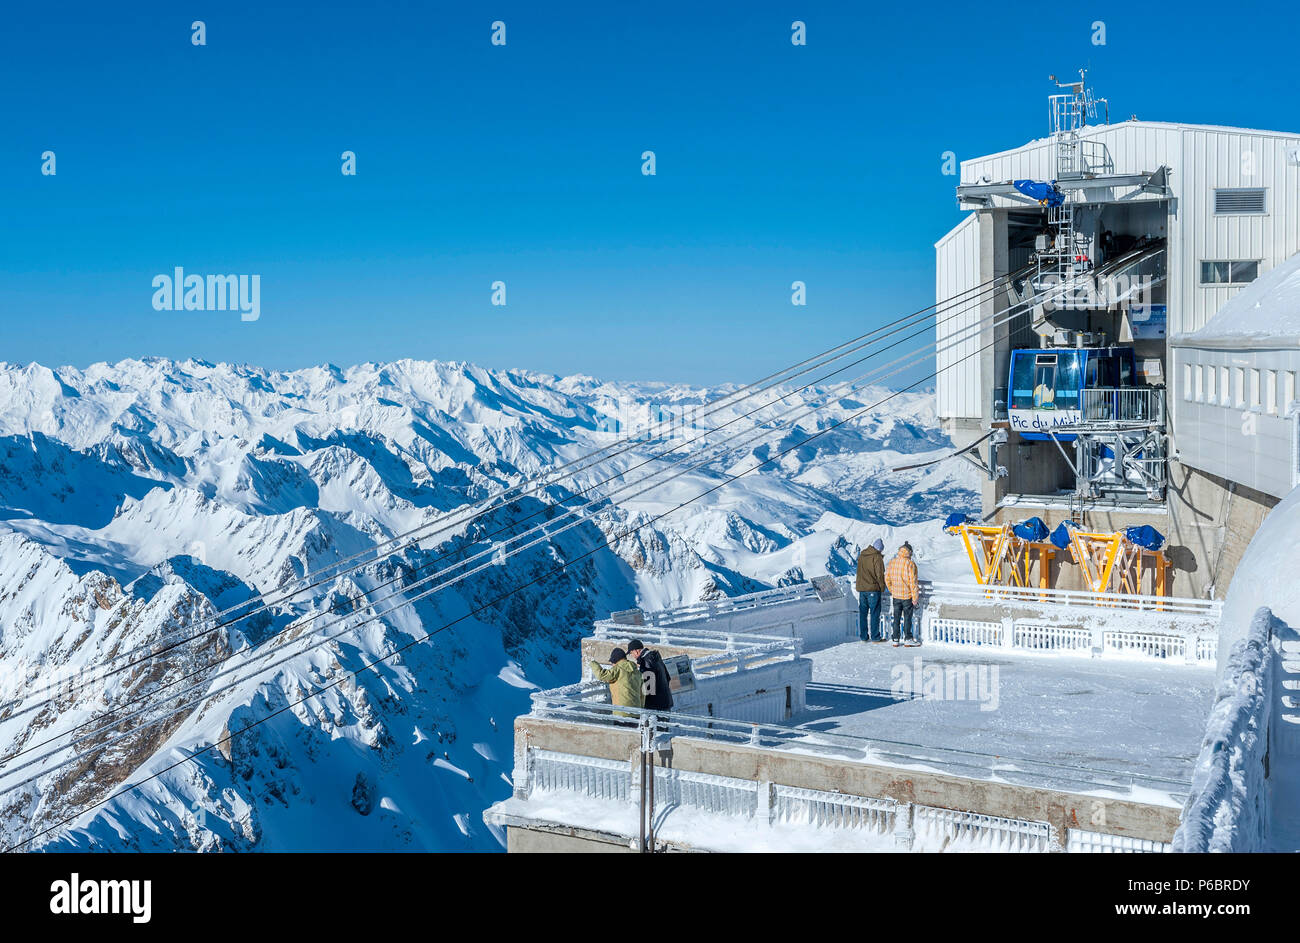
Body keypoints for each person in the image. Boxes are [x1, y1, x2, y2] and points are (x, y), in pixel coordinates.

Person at [589, 648, 645, 718]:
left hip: (621, 712)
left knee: (621, 728)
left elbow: (602, 675)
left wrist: (592, 663)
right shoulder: (637, 672)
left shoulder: (618, 669)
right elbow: (643, 694)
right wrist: (641, 708)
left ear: (615, 660)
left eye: (612, 662)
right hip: (636, 711)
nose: (612, 665)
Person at [885, 543, 921, 647]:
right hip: (907, 596)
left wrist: (892, 590)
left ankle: (895, 639)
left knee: (896, 618)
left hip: (896, 596)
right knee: (907, 618)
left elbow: (887, 579)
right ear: (909, 552)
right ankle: (908, 639)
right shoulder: (910, 564)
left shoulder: (892, 562)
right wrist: (915, 598)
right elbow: (913, 583)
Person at [627, 639, 674, 712]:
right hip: (665, 702)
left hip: (655, 706)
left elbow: (648, 688)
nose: (632, 656)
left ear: (636, 651)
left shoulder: (646, 661)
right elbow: (668, 677)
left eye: (631, 653)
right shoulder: (655, 658)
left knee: (652, 723)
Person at [855, 538, 887, 642]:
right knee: (874, 613)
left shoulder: (862, 555)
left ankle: (863, 636)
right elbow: (879, 575)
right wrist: (882, 587)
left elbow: (859, 572)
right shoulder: (877, 557)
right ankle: (875, 637)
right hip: (873, 589)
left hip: (862, 589)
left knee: (863, 614)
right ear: (879, 549)